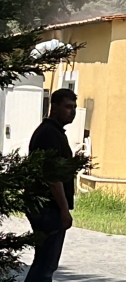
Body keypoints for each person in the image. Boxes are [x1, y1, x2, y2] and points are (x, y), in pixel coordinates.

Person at [25, 88, 78, 282]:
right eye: (67, 107)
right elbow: (52, 177)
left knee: (46, 263)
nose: (71, 111)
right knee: (46, 264)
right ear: (54, 108)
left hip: (47, 206)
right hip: (47, 207)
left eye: (74, 107)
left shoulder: (55, 132)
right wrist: (64, 210)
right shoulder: (49, 134)